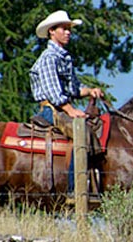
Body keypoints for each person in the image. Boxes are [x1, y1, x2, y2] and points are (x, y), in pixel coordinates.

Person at [30, 10, 103, 197]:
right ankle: (75, 189)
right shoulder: (48, 58)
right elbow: (55, 94)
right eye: (63, 28)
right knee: (82, 133)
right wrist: (71, 110)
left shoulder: (64, 58)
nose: (68, 32)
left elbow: (74, 88)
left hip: (61, 108)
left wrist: (90, 91)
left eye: (69, 29)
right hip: (52, 110)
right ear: (51, 32)